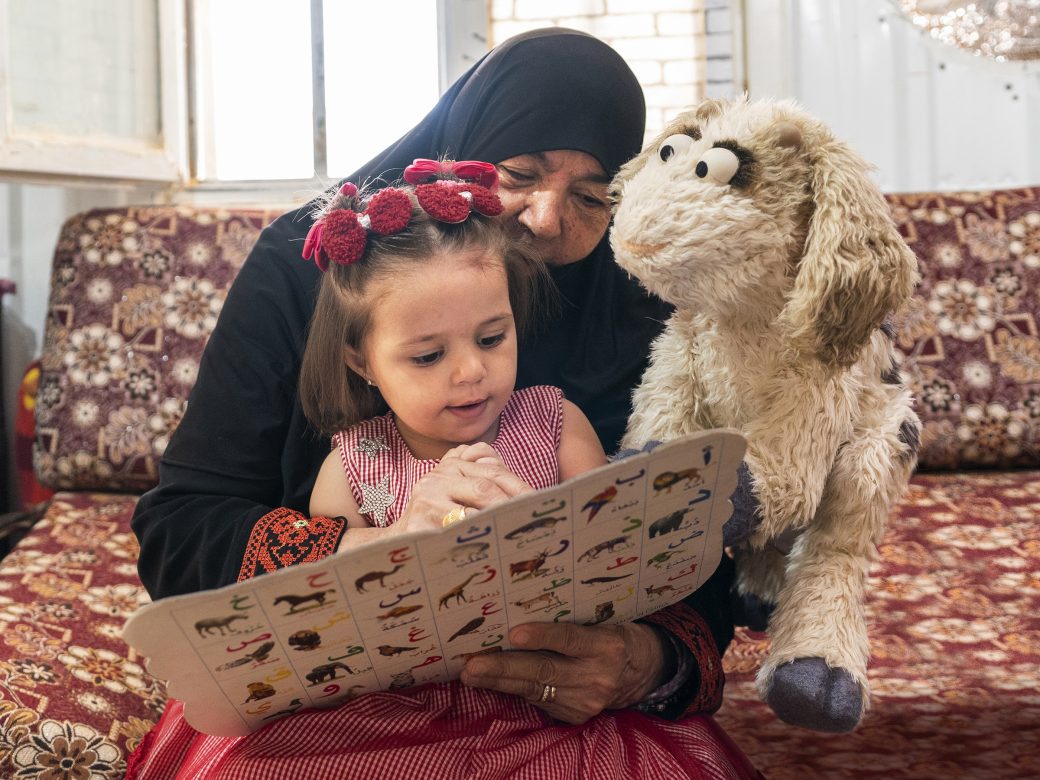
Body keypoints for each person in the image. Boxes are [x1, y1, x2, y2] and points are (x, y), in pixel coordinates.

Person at [129, 27, 759, 779]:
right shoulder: (312, 273)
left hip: (553, 710)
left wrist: (639, 660)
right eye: (518, 173)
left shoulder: (639, 299)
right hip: (342, 705)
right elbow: (183, 525)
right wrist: (368, 558)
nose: (548, 220)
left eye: (594, 198)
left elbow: (688, 538)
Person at [302, 170, 608, 535]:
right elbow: (341, 584)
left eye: (491, 338)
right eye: (429, 356)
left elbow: (609, 539)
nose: (471, 371)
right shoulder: (349, 474)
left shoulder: (555, 425)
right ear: (361, 362)